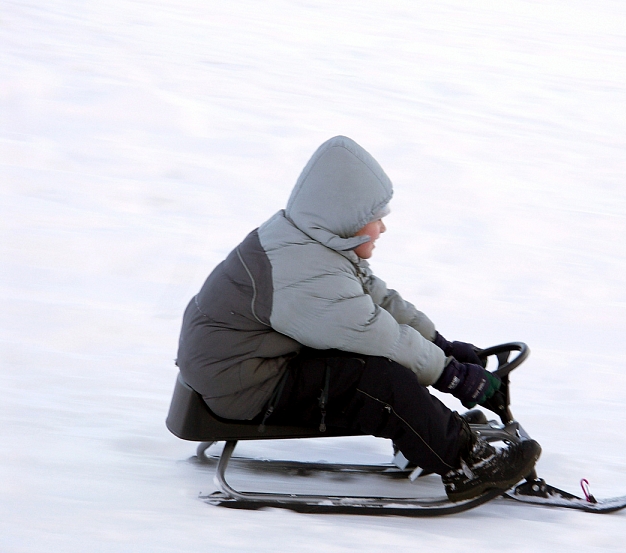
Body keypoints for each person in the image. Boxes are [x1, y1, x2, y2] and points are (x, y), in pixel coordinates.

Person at [175, 135, 540, 501]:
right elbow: (377, 333)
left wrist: (442, 346)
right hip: (242, 385)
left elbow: (381, 300)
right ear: (346, 217)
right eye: (375, 218)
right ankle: (466, 464)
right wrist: (451, 374)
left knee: (376, 365)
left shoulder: (311, 241)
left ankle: (429, 429)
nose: (382, 228)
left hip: (250, 362)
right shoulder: (304, 271)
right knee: (377, 382)